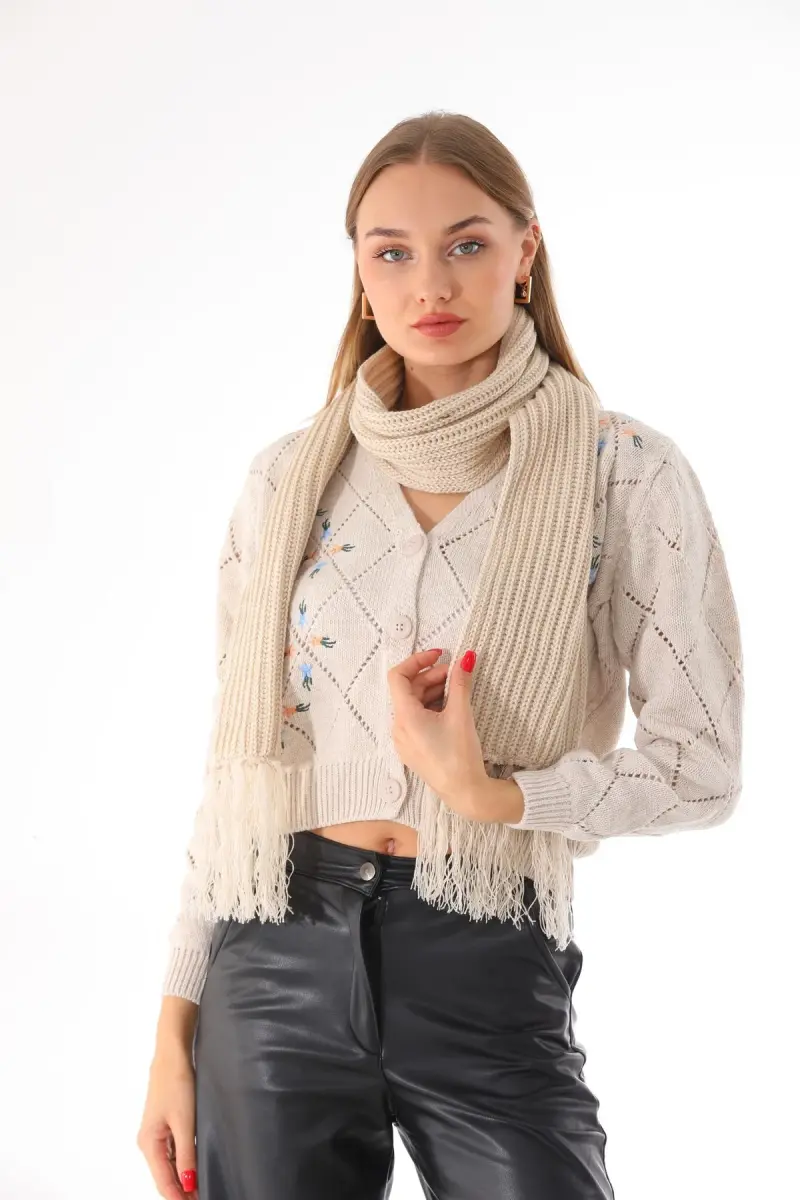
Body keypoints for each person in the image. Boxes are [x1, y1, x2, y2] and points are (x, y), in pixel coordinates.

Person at [137, 110, 744, 1200]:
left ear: (525, 251)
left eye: (466, 243)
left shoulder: (625, 475)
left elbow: (701, 767)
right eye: (392, 252)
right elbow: (235, 783)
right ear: (360, 274)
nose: (431, 283)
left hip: (485, 948)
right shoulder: (286, 481)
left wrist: (495, 795)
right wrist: (172, 1034)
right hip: (271, 953)